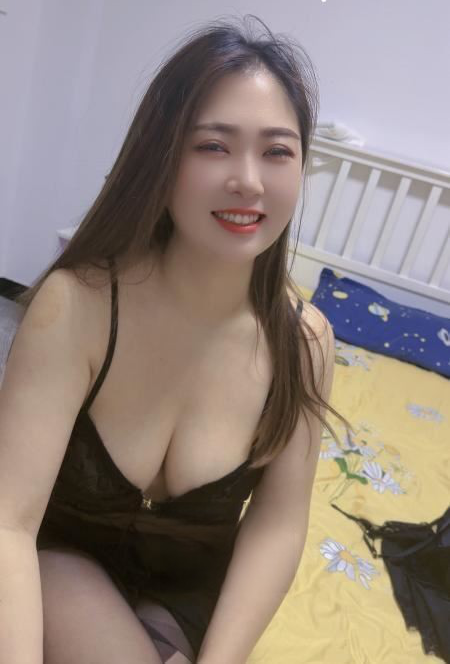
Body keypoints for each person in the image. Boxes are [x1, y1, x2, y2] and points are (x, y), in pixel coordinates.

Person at [0, 14, 352, 664]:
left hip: (188, 599)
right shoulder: (79, 306)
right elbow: (9, 521)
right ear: (161, 157)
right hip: (57, 566)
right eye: (213, 146)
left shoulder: (302, 345)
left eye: (277, 151)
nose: (249, 179)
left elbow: (277, 527)